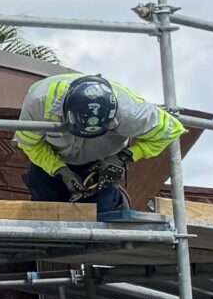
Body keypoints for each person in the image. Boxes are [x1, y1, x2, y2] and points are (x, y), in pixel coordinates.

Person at [13, 73, 182, 223]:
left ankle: (114, 201)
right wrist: (59, 170)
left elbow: (171, 130)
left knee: (102, 209)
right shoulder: (39, 103)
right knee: (47, 198)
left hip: (101, 161)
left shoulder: (130, 111)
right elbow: (31, 145)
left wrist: (124, 157)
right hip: (54, 156)